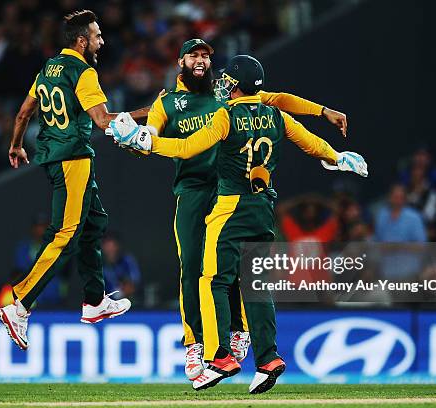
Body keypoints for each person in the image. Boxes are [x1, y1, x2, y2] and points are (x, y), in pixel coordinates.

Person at [110, 55, 367, 393]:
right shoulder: (276, 115)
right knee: (256, 286)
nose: (223, 83)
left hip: (230, 208)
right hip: (264, 209)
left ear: (236, 84)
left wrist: (146, 141)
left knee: (212, 279)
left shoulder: (225, 116)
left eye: (228, 80)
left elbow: (187, 148)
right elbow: (309, 142)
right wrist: (337, 157)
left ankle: (220, 357)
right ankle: (268, 358)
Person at [0, 10, 149, 351]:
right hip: (72, 160)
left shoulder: (48, 69)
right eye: (97, 35)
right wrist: (151, 111)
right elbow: (103, 121)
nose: (101, 40)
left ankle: (95, 300)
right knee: (66, 234)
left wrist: (16, 145)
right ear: (82, 41)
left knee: (93, 223)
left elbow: (24, 112)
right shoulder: (83, 71)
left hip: (55, 156)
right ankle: (19, 303)